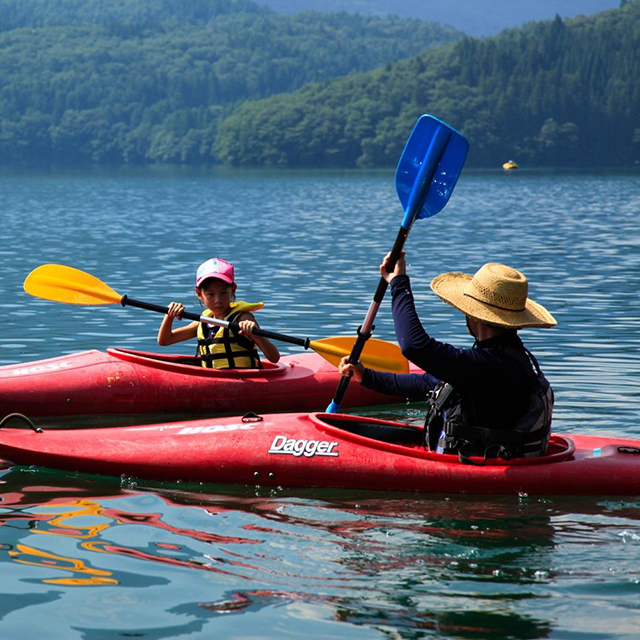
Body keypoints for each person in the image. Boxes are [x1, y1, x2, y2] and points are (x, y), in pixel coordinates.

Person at [339, 253, 556, 462]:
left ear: (473, 315)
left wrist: (399, 282)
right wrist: (366, 376)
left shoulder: (492, 365)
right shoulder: (503, 358)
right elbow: (428, 383)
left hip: (481, 463)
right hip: (482, 452)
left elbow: (414, 346)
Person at [158, 258, 280, 369]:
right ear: (199, 294)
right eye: (211, 294)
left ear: (233, 290)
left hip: (244, 381)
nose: (218, 300)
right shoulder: (204, 321)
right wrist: (169, 316)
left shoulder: (242, 318)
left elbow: (274, 358)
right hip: (212, 379)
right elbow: (165, 340)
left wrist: (255, 334)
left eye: (223, 293)